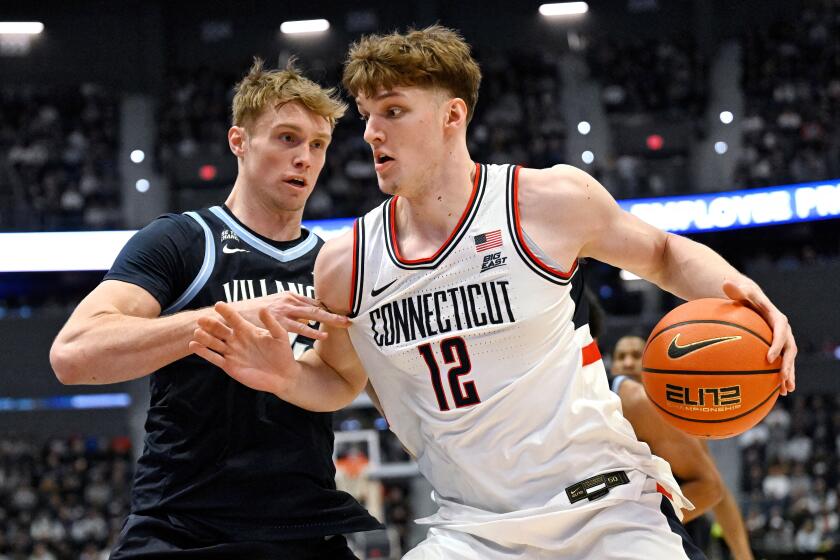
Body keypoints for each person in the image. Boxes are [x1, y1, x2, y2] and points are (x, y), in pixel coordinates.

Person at [190, 26, 797, 559]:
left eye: (394, 111)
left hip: (605, 511)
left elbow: (664, 253)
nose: (371, 131)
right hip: (472, 529)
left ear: (453, 116)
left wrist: (740, 291)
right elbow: (341, 377)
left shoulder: (546, 202)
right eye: (367, 113)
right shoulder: (346, 264)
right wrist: (286, 377)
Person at [49, 59, 382, 559]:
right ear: (239, 142)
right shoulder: (182, 239)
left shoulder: (331, 264)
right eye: (287, 138)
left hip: (303, 526)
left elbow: (344, 382)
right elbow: (73, 354)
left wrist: (287, 377)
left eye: (317, 145)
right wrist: (226, 318)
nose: (305, 159)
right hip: (181, 525)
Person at [610, 335, 755, 560]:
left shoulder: (680, 419)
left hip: (678, 530)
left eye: (636, 356)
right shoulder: (605, 409)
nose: (628, 363)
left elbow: (716, 491)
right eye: (621, 357)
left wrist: (743, 555)